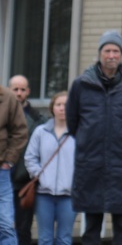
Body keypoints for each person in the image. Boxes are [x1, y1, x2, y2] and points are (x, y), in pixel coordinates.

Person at [67, 31, 122, 245]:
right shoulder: (81, 85)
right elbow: (73, 123)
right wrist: (87, 141)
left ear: (121, 54)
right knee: (91, 227)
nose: (112, 55)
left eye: (116, 51)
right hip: (90, 163)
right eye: (107, 50)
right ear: (100, 53)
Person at [24, 92, 75, 245]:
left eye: (66, 105)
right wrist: (40, 175)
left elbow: (84, 161)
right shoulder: (41, 132)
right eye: (58, 104)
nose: (62, 108)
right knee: (45, 239)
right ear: (52, 108)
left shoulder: (77, 132)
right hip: (43, 195)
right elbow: (30, 157)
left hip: (69, 196)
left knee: (64, 239)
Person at [8, 76, 47, 245]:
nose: (19, 93)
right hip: (4, 179)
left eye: (22, 89)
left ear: (28, 92)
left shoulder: (39, 120)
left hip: (26, 182)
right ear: (9, 90)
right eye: (15, 89)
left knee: (24, 228)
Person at [0, 86, 28, 245]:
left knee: (5, 225)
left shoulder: (7, 97)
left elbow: (20, 131)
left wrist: (8, 161)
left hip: (1, 172)